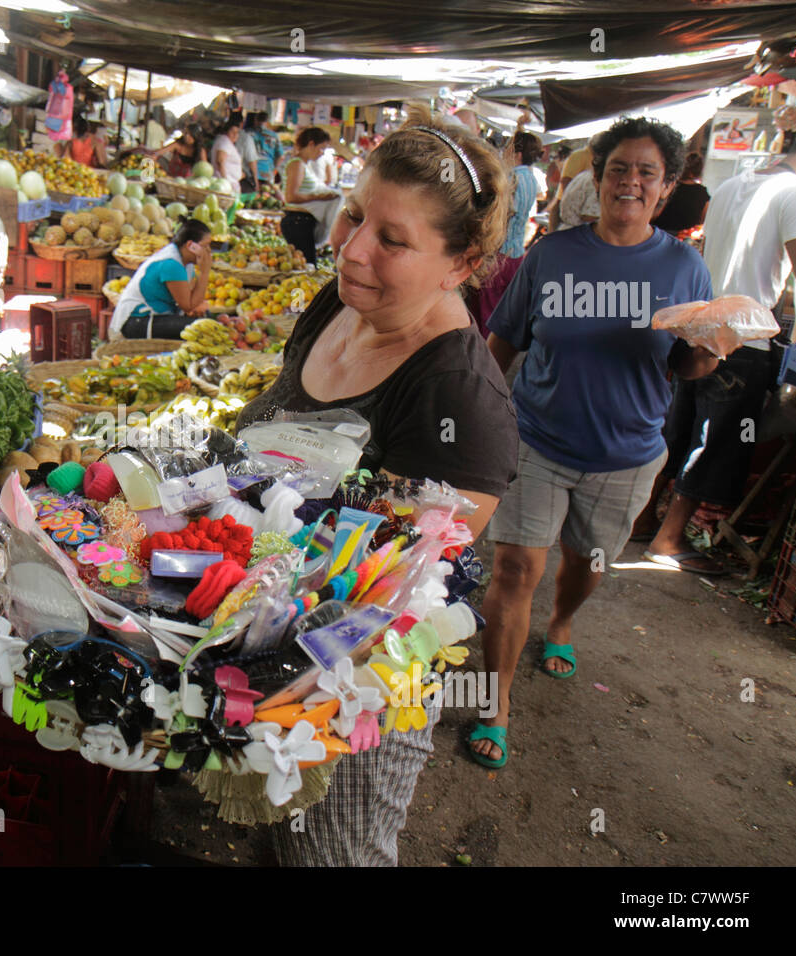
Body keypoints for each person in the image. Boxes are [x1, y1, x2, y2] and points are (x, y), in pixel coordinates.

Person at [236, 107, 519, 866]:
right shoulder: (339, 300)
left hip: (352, 691)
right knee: (277, 840)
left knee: (335, 854)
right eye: (354, 216)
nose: (353, 250)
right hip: (267, 652)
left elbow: (396, 601)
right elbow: (274, 421)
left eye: (392, 240)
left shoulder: (457, 397)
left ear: (459, 264)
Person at [473, 117, 720, 769]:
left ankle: (561, 621)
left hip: (627, 453)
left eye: (646, 172)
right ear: (598, 177)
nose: (630, 182)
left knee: (588, 564)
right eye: (618, 169)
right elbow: (504, 340)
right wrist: (482, 411)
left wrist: (709, 353)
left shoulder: (684, 267)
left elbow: (690, 366)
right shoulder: (552, 255)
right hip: (537, 439)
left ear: (664, 189)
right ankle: (495, 704)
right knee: (514, 568)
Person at [634, 135, 796, 573]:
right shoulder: (793, 195)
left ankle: (642, 517)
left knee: (681, 431)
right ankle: (668, 539)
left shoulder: (731, 186)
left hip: (703, 324)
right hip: (744, 339)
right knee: (715, 441)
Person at [470, 131, 544, 335]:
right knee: (502, 312)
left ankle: (485, 358)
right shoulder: (531, 178)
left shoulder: (510, 178)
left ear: (517, 153)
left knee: (486, 313)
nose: (505, 153)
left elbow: (500, 216)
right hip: (517, 254)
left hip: (498, 254)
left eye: (509, 148)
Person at [108, 219, 212, 340]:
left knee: (207, 319)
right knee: (199, 329)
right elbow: (188, 305)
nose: (209, 251)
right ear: (191, 246)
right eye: (205, 246)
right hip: (136, 321)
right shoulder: (171, 264)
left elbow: (194, 298)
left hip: (157, 316)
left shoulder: (185, 262)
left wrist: (197, 308)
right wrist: (205, 272)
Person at [279, 126, 338, 264]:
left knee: (307, 264)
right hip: (297, 222)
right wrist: (320, 197)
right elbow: (291, 197)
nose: (322, 153)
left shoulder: (305, 165)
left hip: (303, 221)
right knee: (306, 265)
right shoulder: (297, 164)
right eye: (321, 148)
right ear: (311, 144)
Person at [651, 151, 710, 235]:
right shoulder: (702, 193)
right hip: (685, 236)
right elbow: (703, 219)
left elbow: (655, 212)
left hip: (660, 232)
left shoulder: (669, 186)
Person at [546, 141, 591, 231]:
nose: (555, 160)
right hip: (567, 215)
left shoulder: (582, 157)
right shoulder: (580, 156)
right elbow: (564, 186)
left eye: (555, 157)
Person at [210, 119, 244, 195]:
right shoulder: (224, 141)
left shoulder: (226, 142)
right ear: (226, 132)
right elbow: (220, 161)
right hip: (226, 186)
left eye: (237, 132)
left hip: (229, 184)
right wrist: (226, 183)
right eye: (232, 132)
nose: (235, 135)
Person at [237, 114, 262, 194]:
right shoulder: (246, 138)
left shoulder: (221, 136)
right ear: (241, 123)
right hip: (242, 178)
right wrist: (256, 181)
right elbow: (252, 161)